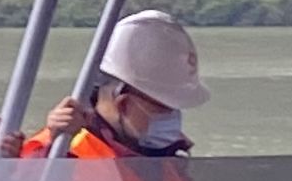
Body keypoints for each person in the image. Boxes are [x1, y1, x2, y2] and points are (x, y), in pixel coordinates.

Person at [23, 9, 209, 160]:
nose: (172, 119)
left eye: (175, 109)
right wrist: (55, 153)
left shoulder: (165, 156)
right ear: (123, 104)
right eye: (163, 108)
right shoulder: (59, 151)